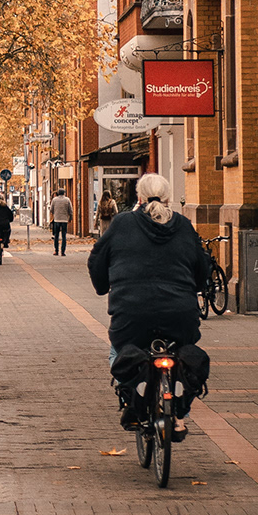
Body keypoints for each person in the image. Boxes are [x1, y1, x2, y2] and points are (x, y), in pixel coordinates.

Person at [87, 172, 211, 435]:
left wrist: (102, 287)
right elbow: (202, 265)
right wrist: (196, 287)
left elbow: (97, 258)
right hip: (180, 314)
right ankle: (179, 415)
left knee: (118, 351)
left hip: (132, 313)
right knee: (183, 353)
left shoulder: (122, 223)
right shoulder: (184, 225)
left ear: (139, 197)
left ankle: (132, 401)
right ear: (167, 198)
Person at [49, 189, 72, 256]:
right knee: (64, 236)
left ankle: (56, 251)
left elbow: (51, 209)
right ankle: (63, 252)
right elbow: (70, 210)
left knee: (56, 236)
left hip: (57, 220)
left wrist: (56, 213)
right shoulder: (67, 200)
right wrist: (70, 218)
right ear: (64, 193)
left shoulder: (54, 200)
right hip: (64, 220)